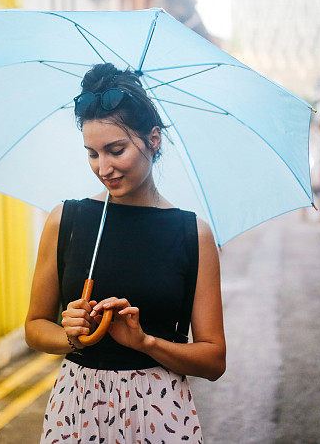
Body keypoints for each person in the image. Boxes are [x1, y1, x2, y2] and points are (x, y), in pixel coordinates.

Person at [25, 63, 226, 443]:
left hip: (160, 412)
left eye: (116, 150)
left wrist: (145, 342)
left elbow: (214, 360)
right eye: (92, 154)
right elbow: (35, 328)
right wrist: (73, 335)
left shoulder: (192, 234)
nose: (104, 167)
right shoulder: (64, 220)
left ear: (154, 140)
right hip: (77, 408)